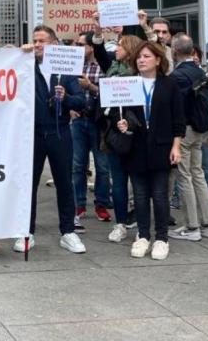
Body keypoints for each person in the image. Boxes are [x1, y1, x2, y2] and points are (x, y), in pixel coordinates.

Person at [15, 25, 88, 254]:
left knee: (65, 183)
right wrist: (19, 53)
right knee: (30, 184)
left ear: (54, 44)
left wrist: (65, 98)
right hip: (33, 133)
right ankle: (26, 231)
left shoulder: (65, 71)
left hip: (60, 132)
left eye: (42, 40)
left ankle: (68, 231)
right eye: (34, 40)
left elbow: (81, 102)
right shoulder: (25, 65)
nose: (37, 44)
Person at [115, 41, 184, 260]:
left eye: (146, 56)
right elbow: (123, 113)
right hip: (136, 147)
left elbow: (178, 119)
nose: (141, 60)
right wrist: (123, 124)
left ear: (158, 59)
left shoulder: (169, 84)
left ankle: (162, 238)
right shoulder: (129, 83)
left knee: (160, 195)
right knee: (141, 195)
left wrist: (176, 146)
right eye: (138, 57)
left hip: (161, 147)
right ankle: (142, 235)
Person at [168, 34, 208, 242]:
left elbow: (175, 107)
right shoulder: (199, 71)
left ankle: (192, 226)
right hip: (200, 130)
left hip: (185, 131)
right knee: (197, 175)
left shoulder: (178, 76)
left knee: (184, 177)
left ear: (174, 51)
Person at [103, 34, 143, 244]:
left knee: (138, 183)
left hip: (136, 136)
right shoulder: (112, 70)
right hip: (114, 135)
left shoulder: (140, 75)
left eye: (119, 45)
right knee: (118, 183)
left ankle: (140, 223)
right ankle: (120, 223)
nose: (115, 49)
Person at [70, 31, 112, 229]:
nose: (77, 49)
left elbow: (112, 92)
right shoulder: (73, 65)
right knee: (78, 165)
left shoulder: (104, 65)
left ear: (91, 47)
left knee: (102, 167)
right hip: (78, 120)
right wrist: (70, 108)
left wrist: (91, 86)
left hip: (98, 122)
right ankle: (79, 204)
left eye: (81, 45)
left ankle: (101, 203)